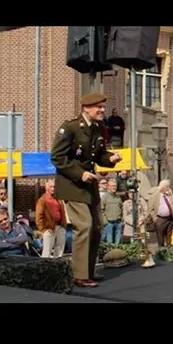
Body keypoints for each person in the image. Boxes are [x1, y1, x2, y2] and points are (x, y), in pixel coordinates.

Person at [50, 93, 121, 288]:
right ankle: (79, 275)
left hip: (90, 186)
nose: (102, 110)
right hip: (72, 185)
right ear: (86, 108)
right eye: (98, 107)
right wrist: (80, 174)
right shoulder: (70, 127)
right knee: (84, 225)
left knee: (97, 227)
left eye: (103, 107)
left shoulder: (98, 128)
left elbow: (99, 156)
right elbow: (57, 158)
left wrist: (110, 159)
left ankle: (89, 272)